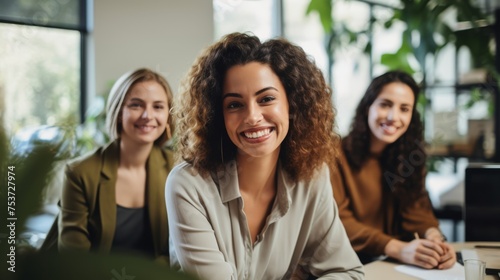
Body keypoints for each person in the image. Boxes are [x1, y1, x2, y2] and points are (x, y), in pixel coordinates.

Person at [166, 32, 364, 280]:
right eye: (235, 104)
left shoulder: (312, 176)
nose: (252, 117)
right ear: (218, 115)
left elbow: (345, 271)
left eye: (267, 99)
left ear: (292, 104)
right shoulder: (188, 185)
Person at [330, 70, 456, 269]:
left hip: (396, 264)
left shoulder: (409, 157)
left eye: (404, 109)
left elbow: (418, 213)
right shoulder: (333, 153)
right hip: (347, 264)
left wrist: (435, 240)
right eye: (385, 104)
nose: (393, 117)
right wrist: (399, 249)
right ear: (367, 107)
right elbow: (336, 221)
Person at [54, 68, 175, 263]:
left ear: (168, 116)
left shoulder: (177, 169)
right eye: (136, 105)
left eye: (158, 107)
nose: (148, 115)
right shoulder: (80, 173)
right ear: (119, 112)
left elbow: (178, 252)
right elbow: (74, 259)